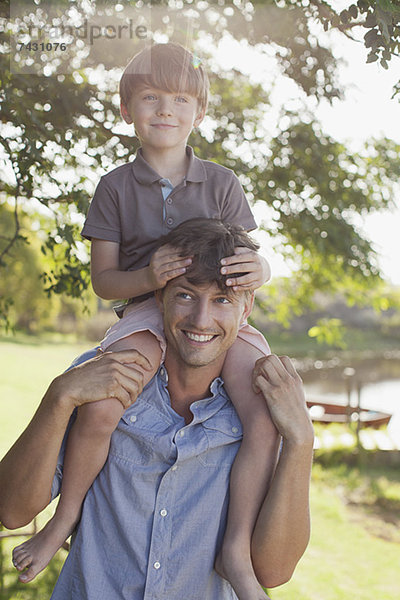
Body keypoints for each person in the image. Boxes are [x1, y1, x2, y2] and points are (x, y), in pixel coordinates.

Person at [10, 42, 274, 599]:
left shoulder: (222, 183)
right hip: (147, 313)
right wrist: (149, 275)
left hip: (217, 309)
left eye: (180, 99)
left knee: (264, 412)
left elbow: (248, 258)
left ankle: (235, 546)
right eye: (150, 97)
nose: (165, 109)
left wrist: (263, 266)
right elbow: (105, 281)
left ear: (199, 113)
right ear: (127, 109)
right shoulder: (114, 187)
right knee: (104, 405)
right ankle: (67, 516)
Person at [1, 219, 314, 600]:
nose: (201, 320)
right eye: (185, 295)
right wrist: (58, 398)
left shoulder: (263, 411)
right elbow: (12, 511)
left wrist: (301, 440)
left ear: (246, 307)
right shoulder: (103, 380)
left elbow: (274, 570)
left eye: (222, 300)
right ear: (159, 297)